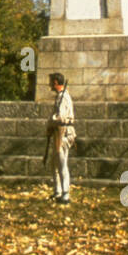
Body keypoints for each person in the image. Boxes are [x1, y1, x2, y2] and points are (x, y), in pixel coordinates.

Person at [48, 72, 76, 205]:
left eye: (50, 81)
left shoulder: (63, 97)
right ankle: (58, 191)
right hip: (58, 132)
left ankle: (65, 194)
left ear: (55, 82)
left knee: (62, 163)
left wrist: (50, 121)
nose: (49, 84)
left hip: (63, 132)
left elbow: (61, 117)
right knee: (54, 164)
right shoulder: (60, 96)